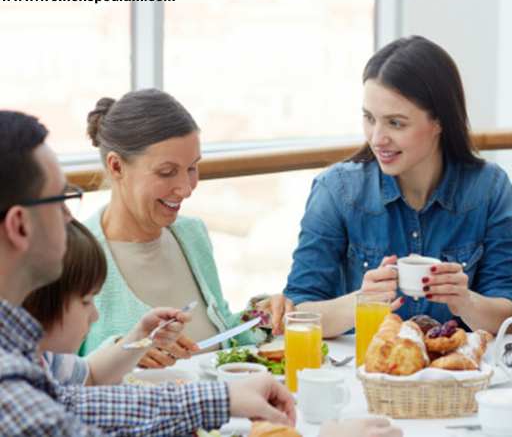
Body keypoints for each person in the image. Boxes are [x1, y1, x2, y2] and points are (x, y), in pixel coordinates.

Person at [0, 110, 295, 435]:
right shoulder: (11, 393)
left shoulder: (22, 354)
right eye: (61, 201)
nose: (70, 218)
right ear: (19, 225)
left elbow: (71, 400)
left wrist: (222, 398)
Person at [284, 35, 512, 337]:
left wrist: (465, 302)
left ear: (439, 122)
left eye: (396, 123)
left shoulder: (489, 188)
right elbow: (298, 311)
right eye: (369, 118)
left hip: (456, 377)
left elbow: (509, 314)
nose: (377, 138)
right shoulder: (337, 190)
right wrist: (361, 302)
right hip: (365, 374)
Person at [79, 89, 292, 365]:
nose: (186, 188)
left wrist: (260, 319)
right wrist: (120, 352)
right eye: (167, 172)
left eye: (192, 168)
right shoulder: (75, 256)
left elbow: (219, 332)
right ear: (117, 166)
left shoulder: (191, 234)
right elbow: (52, 372)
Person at [23, 219, 192, 385]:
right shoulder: (18, 386)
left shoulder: (47, 360)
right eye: (86, 301)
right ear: (38, 302)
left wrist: (142, 335)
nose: (95, 316)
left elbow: (92, 376)